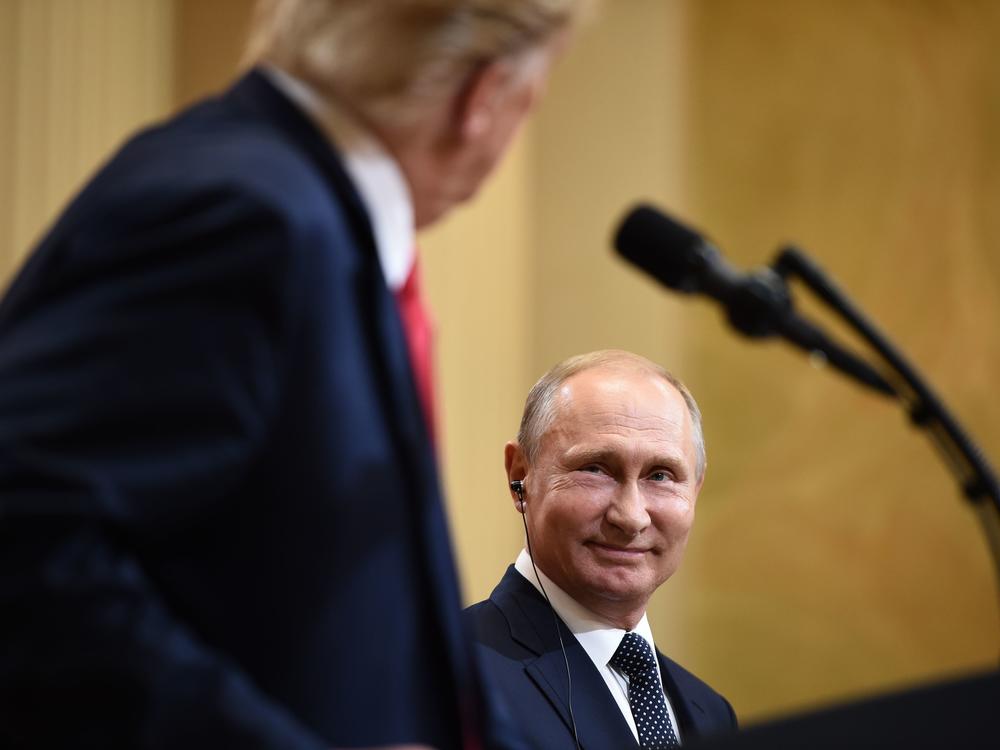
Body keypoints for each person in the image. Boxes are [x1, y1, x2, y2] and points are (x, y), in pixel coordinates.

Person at [0, 1, 587, 748]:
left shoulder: (310, 216)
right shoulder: (242, 211)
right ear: (483, 98)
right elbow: (25, 548)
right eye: (532, 102)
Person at [466, 350, 737, 748]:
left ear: (694, 491)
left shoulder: (710, 711)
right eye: (595, 469)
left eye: (661, 476)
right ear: (520, 477)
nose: (631, 516)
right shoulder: (446, 672)